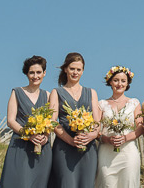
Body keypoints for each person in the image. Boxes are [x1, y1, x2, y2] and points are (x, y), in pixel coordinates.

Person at [48, 52, 101, 188]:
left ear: (83, 71)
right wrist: (70, 140)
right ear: (65, 69)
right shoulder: (56, 92)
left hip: (88, 148)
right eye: (72, 69)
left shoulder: (92, 92)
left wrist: (92, 135)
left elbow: (97, 121)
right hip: (64, 148)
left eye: (79, 69)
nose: (75, 72)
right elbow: (53, 122)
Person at [0, 55, 52, 187]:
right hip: (20, 146)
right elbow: (10, 121)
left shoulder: (48, 95)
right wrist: (29, 135)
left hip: (42, 147)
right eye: (31, 72)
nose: (35, 76)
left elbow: (51, 121)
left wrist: (45, 136)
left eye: (39, 72)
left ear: (44, 73)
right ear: (26, 74)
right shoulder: (16, 92)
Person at [95, 66, 143, 188]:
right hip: (106, 152)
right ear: (110, 81)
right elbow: (95, 130)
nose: (119, 84)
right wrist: (107, 139)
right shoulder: (101, 104)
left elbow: (140, 128)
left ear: (127, 83)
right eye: (116, 80)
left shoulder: (134, 103)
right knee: (106, 183)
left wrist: (125, 138)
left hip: (128, 153)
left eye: (123, 81)